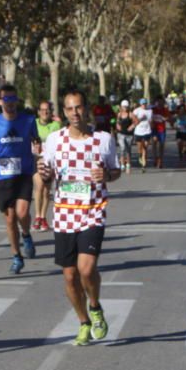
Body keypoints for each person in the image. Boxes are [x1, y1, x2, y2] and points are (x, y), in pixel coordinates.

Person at [38, 89, 121, 346]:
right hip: (64, 214)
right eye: (70, 109)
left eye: (79, 107)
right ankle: (84, 320)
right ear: (64, 112)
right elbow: (46, 172)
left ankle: (95, 306)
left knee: (86, 269)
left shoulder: (103, 139)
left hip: (93, 211)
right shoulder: (54, 140)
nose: (75, 113)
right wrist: (43, 172)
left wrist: (106, 176)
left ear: (87, 108)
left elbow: (116, 170)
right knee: (70, 276)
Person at [0, 84, 40, 274]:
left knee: (22, 213)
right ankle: (16, 256)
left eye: (13, 99)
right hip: (1, 175)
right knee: (9, 218)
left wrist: (38, 151)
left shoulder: (29, 120)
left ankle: (26, 235)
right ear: (0, 102)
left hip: (23, 172)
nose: (10, 103)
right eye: (6, 99)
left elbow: (36, 140)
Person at [32, 101, 62, 231]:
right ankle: (37, 216)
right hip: (36, 159)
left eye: (47, 110)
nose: (45, 112)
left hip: (50, 161)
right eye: (42, 110)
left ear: (51, 112)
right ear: (38, 112)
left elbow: (60, 142)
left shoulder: (56, 125)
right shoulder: (33, 124)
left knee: (46, 190)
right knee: (39, 186)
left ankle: (43, 217)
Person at [131, 98, 153, 172]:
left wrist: (151, 125)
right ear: (140, 104)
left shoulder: (150, 111)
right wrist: (139, 119)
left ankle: (143, 165)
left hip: (147, 131)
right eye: (143, 104)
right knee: (140, 147)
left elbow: (151, 120)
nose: (144, 105)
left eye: (145, 103)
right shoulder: (136, 111)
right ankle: (140, 155)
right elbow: (133, 118)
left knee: (145, 148)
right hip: (138, 132)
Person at [115, 99, 135, 174]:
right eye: (124, 107)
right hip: (121, 134)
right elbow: (117, 121)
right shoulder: (119, 114)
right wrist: (117, 125)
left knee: (128, 150)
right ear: (121, 107)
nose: (125, 108)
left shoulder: (130, 114)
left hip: (129, 135)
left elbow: (136, 121)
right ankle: (122, 164)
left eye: (126, 107)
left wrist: (132, 126)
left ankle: (128, 165)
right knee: (122, 148)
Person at [150, 97, 170, 168]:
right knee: (154, 142)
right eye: (158, 102)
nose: (159, 104)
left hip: (162, 129)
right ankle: (155, 158)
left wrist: (165, 118)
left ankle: (160, 160)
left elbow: (168, 118)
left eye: (161, 102)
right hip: (154, 129)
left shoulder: (165, 110)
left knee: (161, 145)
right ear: (156, 102)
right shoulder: (152, 109)